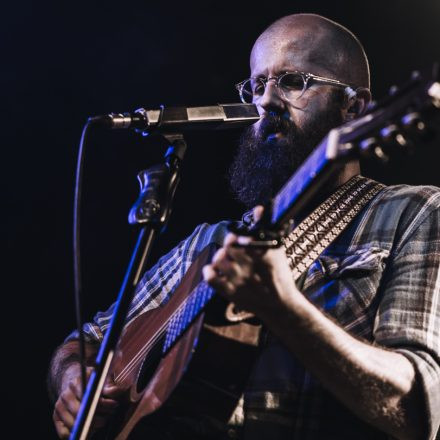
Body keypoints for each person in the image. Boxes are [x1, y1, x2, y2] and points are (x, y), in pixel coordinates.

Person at [48, 13, 440, 440]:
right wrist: (73, 377)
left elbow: (417, 407)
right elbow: (88, 339)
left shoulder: (414, 212)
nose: (266, 102)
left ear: (354, 107)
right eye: (257, 85)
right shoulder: (210, 241)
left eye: (293, 81)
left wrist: (284, 308)